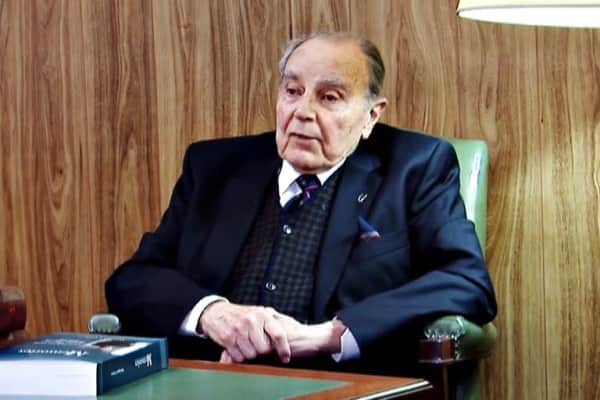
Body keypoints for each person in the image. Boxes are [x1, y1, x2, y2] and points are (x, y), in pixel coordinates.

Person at [105, 32, 496, 375]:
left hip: (343, 385)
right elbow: (133, 279)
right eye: (292, 92)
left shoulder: (415, 167)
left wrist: (328, 335)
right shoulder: (215, 167)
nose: (303, 112)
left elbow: (467, 282)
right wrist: (211, 313)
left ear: (370, 116)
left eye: (329, 97)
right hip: (211, 381)